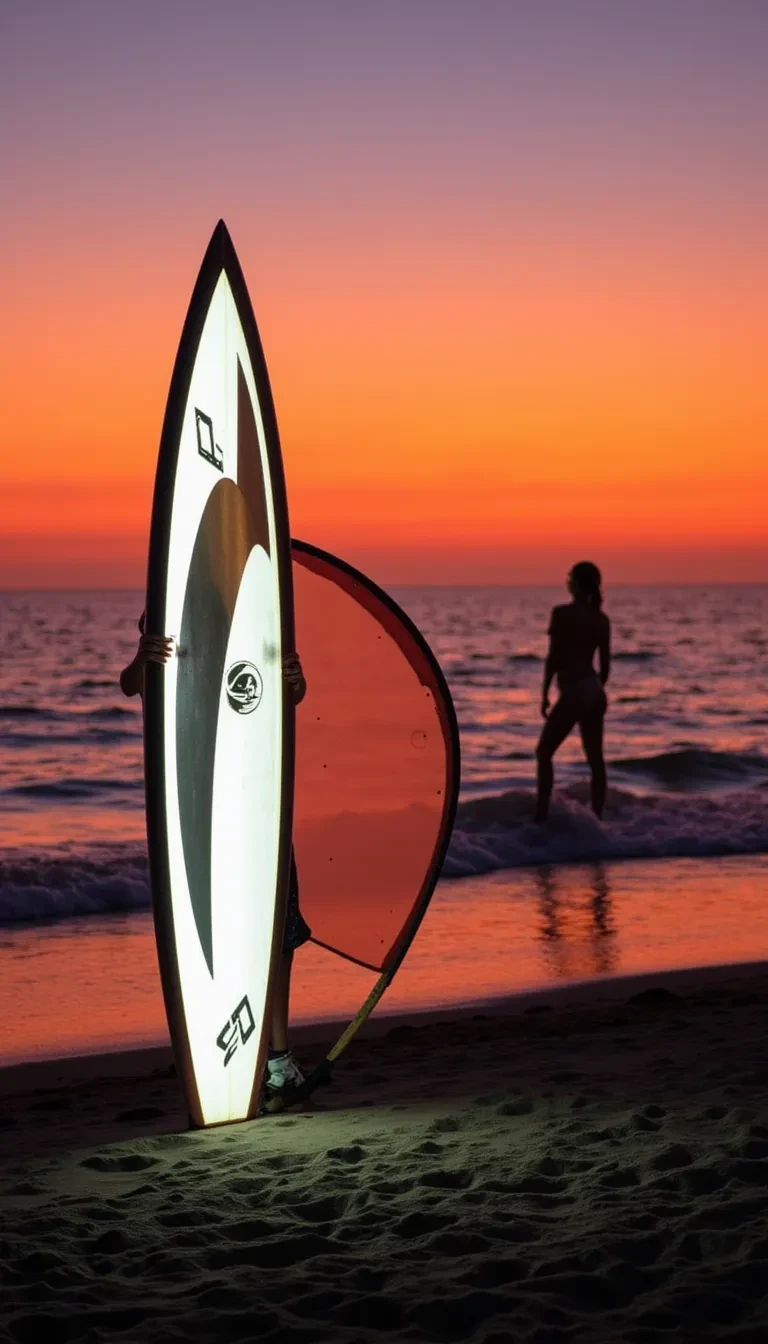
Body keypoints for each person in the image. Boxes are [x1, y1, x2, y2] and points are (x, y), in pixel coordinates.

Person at [119, 612, 311, 1099]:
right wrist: (143, 656)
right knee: (217, 935)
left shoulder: (252, 627)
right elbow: (133, 686)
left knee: (278, 929)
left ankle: (278, 1057)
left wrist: (295, 680)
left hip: (260, 803)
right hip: (201, 815)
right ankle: (222, 1049)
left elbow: (283, 698)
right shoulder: (171, 634)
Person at [534, 561, 611, 824]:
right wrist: (592, 691)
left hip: (577, 690)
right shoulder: (601, 620)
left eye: (570, 578)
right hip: (594, 692)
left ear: (576, 583)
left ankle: (540, 818)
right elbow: (606, 668)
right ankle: (598, 822)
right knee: (596, 761)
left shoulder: (562, 614)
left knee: (544, 752)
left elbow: (553, 657)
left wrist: (545, 693)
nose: (567, 581)